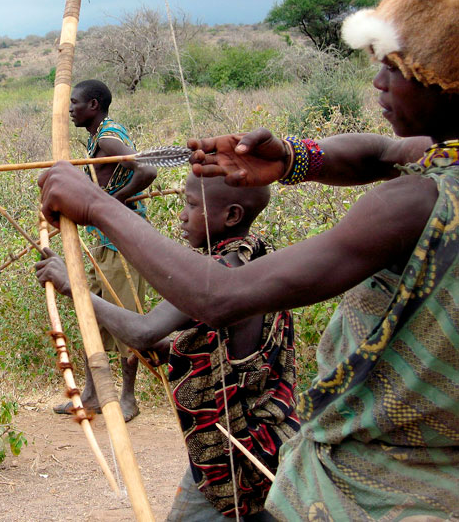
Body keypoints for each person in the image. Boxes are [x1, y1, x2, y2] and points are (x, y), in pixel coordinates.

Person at [38, 0, 459, 518]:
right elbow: (382, 152)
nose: (379, 81)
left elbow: (217, 297)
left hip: (384, 487)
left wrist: (94, 204)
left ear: (447, 85)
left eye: (398, 69)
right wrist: (289, 158)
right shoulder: (436, 159)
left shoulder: (419, 200)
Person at [36, 172, 299, 520]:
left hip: (234, 454)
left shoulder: (216, 273)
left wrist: (73, 285)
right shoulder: (256, 257)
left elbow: (143, 331)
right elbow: (223, 346)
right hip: (266, 440)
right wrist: (166, 349)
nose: (182, 215)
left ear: (232, 216)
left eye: (191, 205)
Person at [52, 79, 157, 422]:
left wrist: (111, 202)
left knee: (127, 319)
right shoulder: (99, 137)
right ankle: (92, 393)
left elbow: (147, 170)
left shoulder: (109, 139)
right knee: (91, 316)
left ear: (94, 105)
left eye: (76, 103)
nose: (70, 110)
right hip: (107, 241)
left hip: (124, 244)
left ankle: (128, 398)